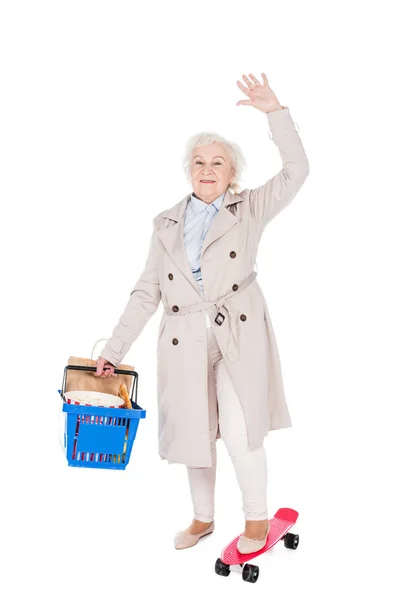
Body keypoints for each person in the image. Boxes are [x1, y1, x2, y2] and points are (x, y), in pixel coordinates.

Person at [94, 72, 309, 552]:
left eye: (218, 163)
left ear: (233, 174)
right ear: (188, 170)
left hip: (237, 330)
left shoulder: (249, 209)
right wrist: (112, 350)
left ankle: (257, 521)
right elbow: (147, 291)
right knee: (195, 433)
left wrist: (275, 112)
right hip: (182, 335)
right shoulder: (165, 223)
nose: (207, 169)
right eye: (199, 162)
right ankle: (203, 518)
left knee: (238, 429)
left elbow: (297, 170)